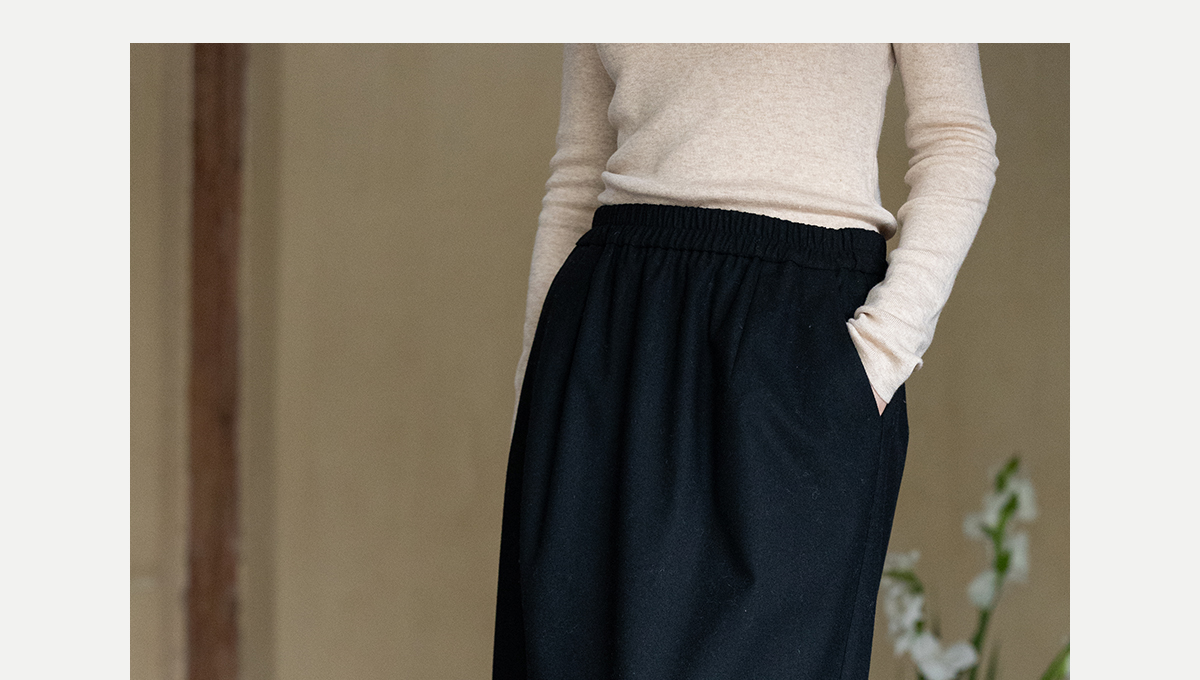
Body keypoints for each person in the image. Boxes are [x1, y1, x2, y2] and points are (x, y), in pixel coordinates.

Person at [494, 43, 998, 680]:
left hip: (799, 339)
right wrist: (539, 394)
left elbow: (958, 141)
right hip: (609, 337)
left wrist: (880, 353)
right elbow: (577, 174)